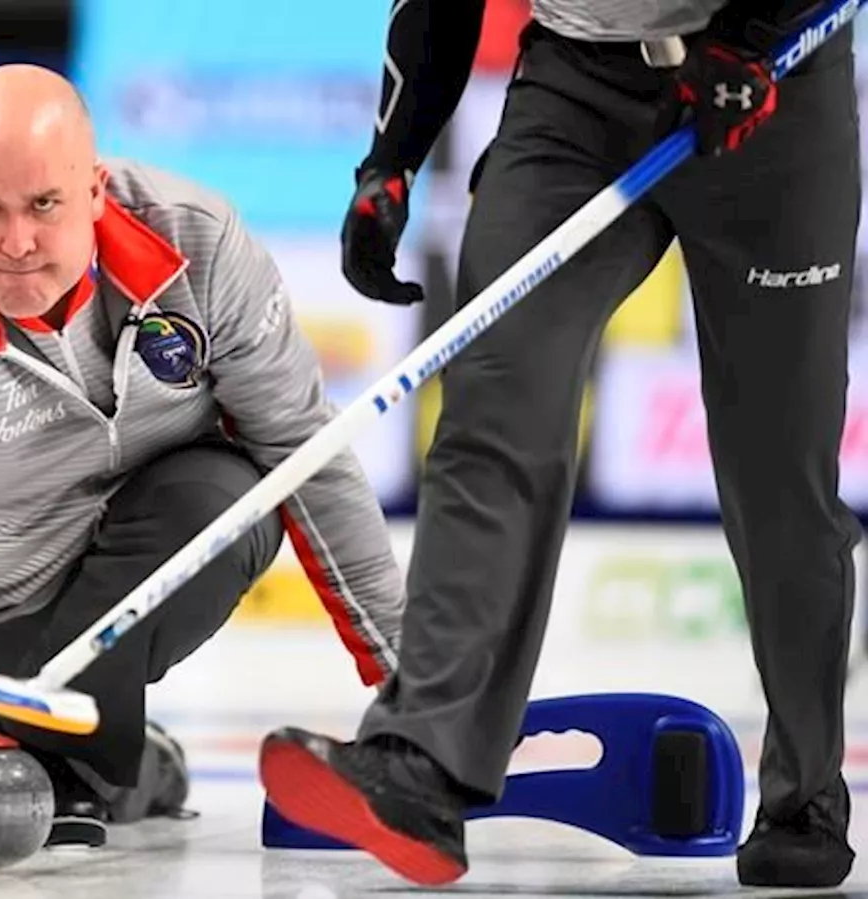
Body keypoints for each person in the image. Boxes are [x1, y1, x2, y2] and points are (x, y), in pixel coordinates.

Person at [260, 0, 859, 889]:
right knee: (496, 397)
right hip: (577, 93)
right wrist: (391, 158)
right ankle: (423, 760)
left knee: (780, 466)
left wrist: (756, 36)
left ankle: (805, 791)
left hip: (772, 88)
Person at [0, 64, 404, 849]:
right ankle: (111, 756)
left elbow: (303, 447)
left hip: (160, 552)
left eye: (44, 204)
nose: (17, 242)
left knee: (226, 491)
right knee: (39, 688)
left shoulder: (196, 241)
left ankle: (70, 755)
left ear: (96, 188)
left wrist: (406, 669)